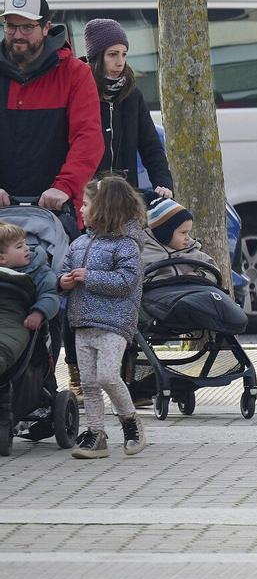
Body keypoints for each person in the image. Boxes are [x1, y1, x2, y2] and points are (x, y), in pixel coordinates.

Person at [0, 0, 100, 230]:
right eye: (11, 26)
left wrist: (64, 185)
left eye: (27, 27)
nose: (17, 35)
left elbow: (88, 138)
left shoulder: (75, 73)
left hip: (55, 211)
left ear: (46, 27)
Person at [60, 175, 146, 458]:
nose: (81, 210)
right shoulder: (78, 244)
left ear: (104, 208)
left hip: (113, 322)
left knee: (108, 375)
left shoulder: (126, 245)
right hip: (82, 322)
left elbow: (127, 281)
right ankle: (95, 433)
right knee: (88, 383)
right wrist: (63, 282)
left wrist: (90, 277)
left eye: (85, 205)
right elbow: (61, 270)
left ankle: (130, 421)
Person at [83, 19, 173, 199]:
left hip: (124, 196)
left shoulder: (132, 95)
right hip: (87, 197)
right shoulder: (80, 92)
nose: (120, 62)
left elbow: (151, 147)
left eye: (124, 54)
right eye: (112, 54)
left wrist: (163, 183)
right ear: (96, 57)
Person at [0, 220, 59, 380]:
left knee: (5, 346)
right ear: (2, 259)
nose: (27, 248)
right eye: (19, 247)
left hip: (19, 321)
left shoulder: (39, 271)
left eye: (24, 243)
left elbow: (50, 294)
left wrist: (39, 312)